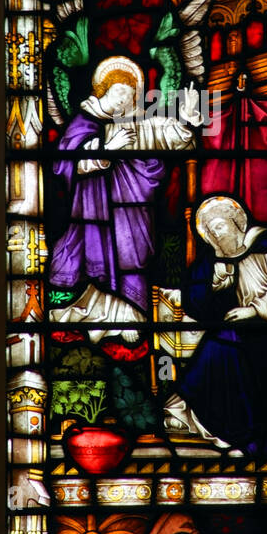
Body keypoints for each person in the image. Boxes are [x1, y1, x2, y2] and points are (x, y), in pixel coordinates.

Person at [161, 196, 267, 457]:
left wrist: (254, 310)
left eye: (219, 227)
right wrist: (217, 286)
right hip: (247, 332)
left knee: (225, 345)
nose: (216, 236)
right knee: (221, 343)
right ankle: (217, 423)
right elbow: (200, 303)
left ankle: (225, 425)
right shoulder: (217, 260)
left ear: (237, 224)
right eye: (210, 232)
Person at [48, 56, 199, 342]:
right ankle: (100, 317)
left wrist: (189, 122)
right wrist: (105, 150)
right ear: (103, 91)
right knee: (97, 260)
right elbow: (64, 164)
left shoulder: (140, 123)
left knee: (136, 257)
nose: (123, 103)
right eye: (119, 93)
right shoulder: (85, 120)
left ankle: (133, 315)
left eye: (130, 97)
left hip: (135, 212)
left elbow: (170, 135)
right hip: (94, 212)